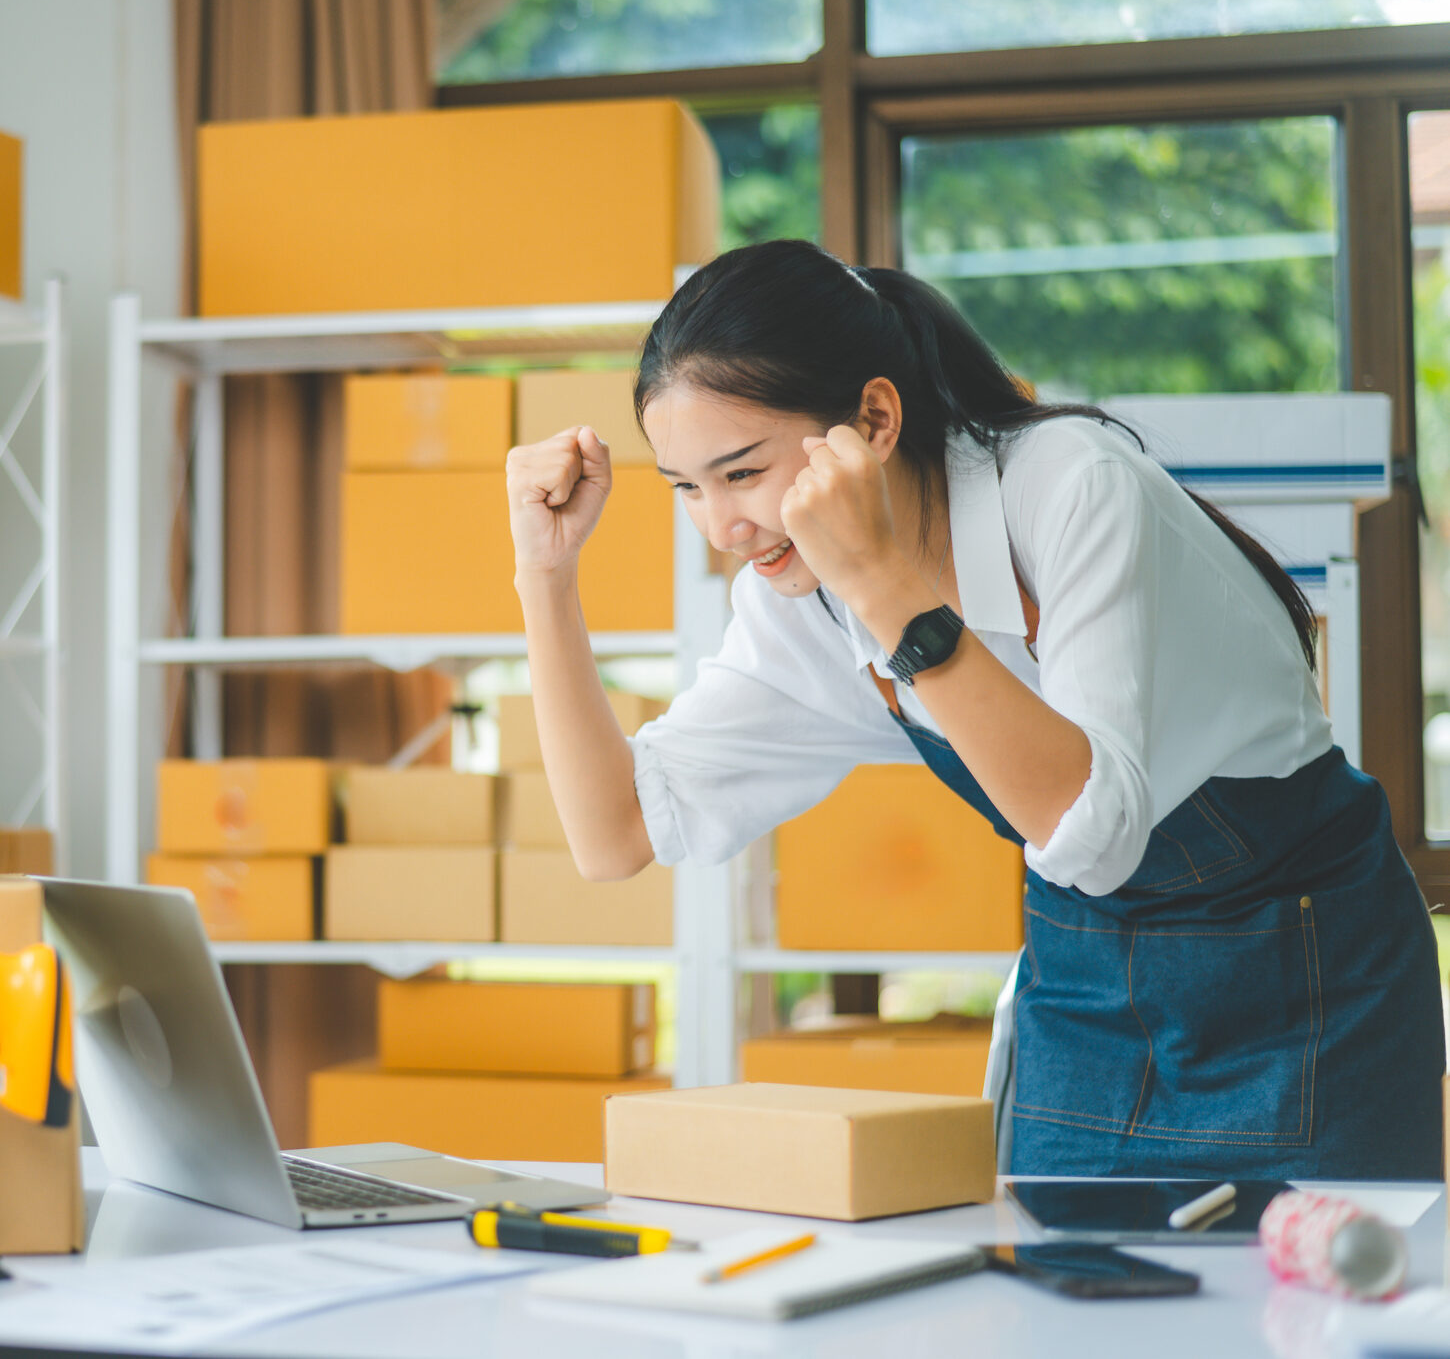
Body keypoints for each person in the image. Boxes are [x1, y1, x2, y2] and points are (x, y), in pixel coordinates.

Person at [505, 237, 1444, 1180]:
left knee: (1303, 1311)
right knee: (1053, 1313)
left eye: (742, 474)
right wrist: (545, 576)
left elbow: (1092, 831)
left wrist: (883, 582)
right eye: (686, 490)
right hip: (1085, 994)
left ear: (873, 417)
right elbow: (614, 833)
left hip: (1306, 976)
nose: (721, 529)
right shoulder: (802, 604)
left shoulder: (1069, 485)